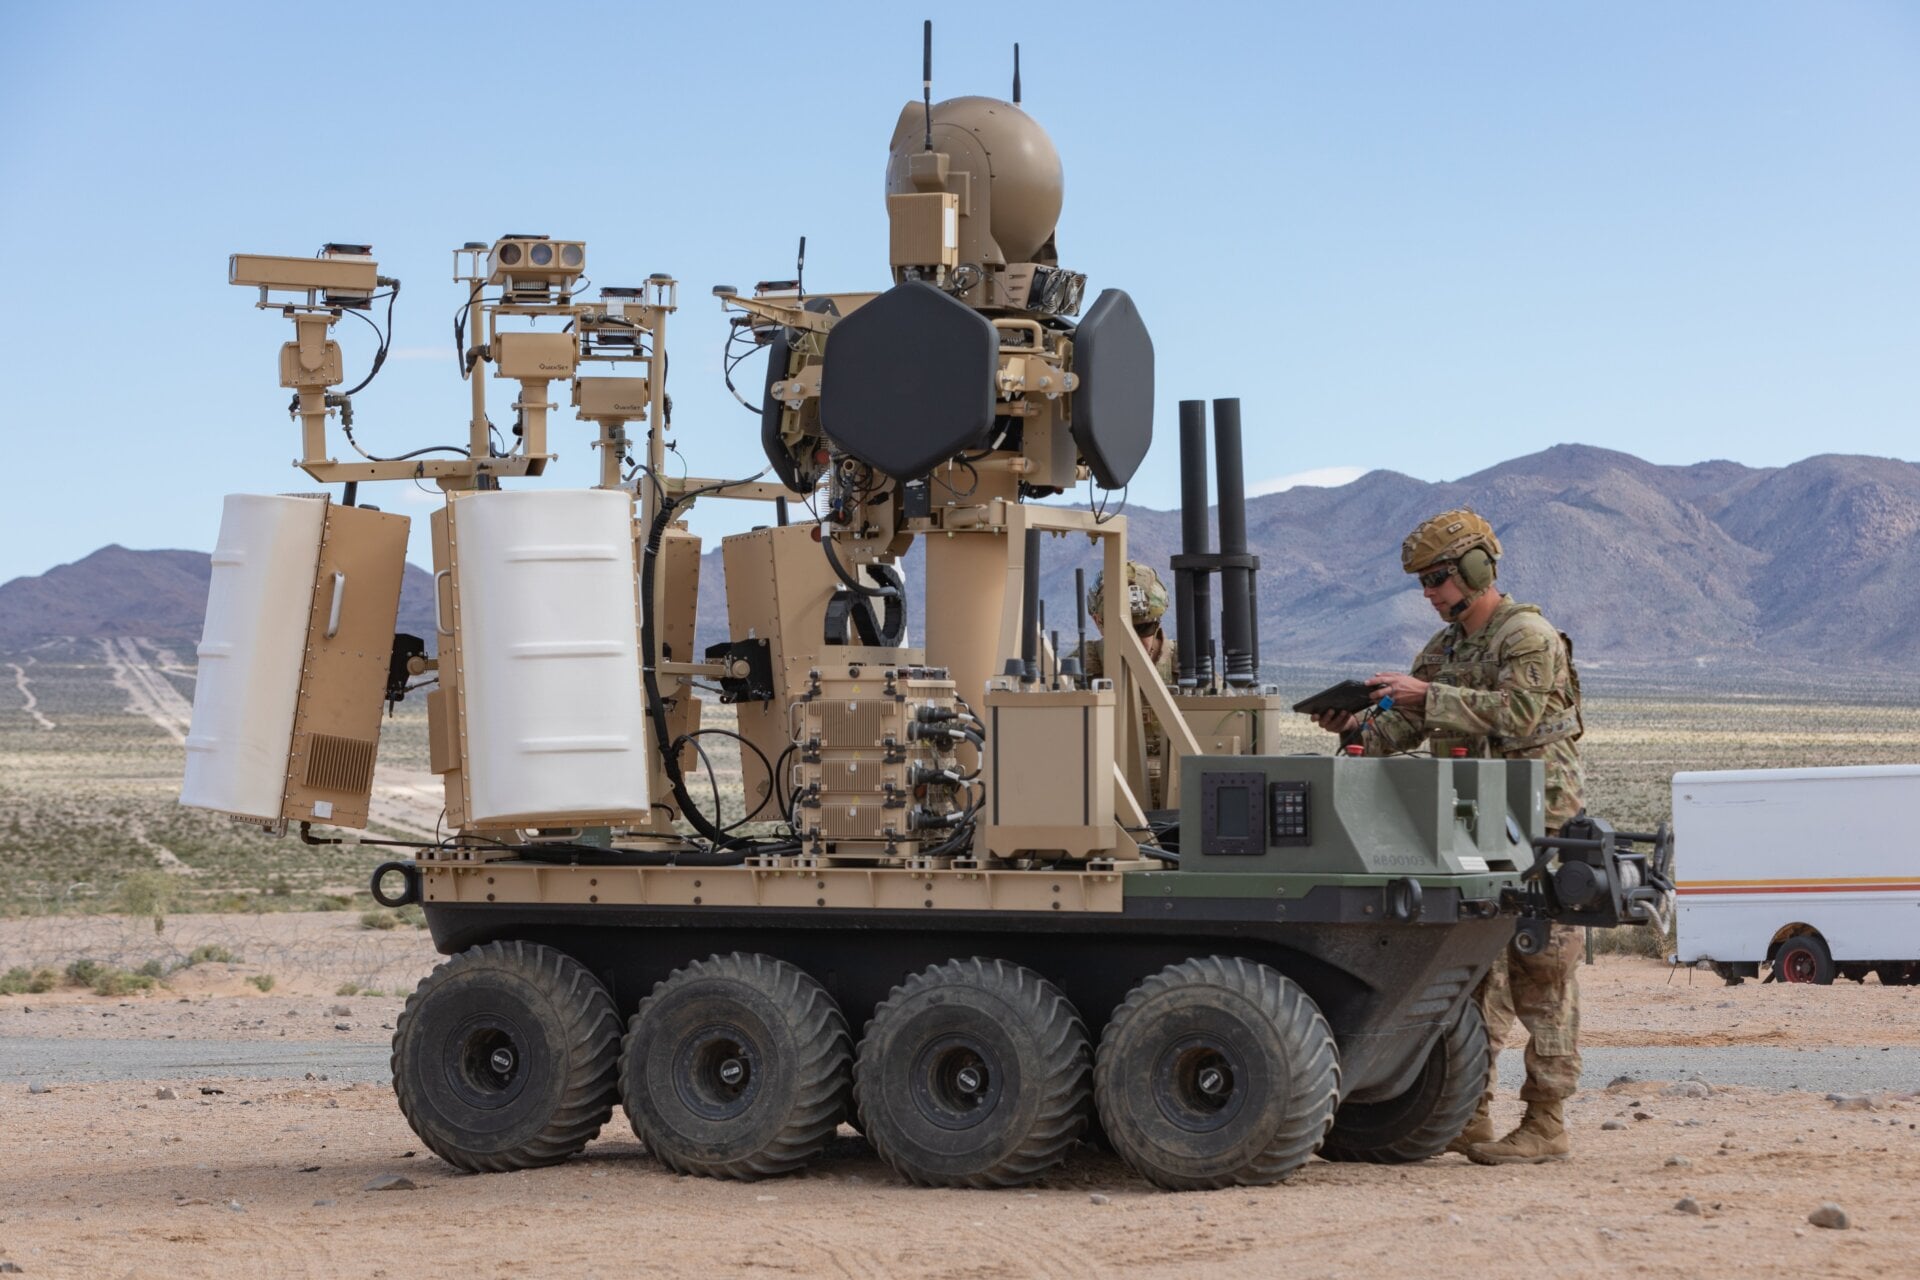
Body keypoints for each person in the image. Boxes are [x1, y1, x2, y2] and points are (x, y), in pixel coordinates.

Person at [1311, 509, 1586, 1166]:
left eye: (1437, 579)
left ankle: (1546, 1122)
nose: (1430, 594)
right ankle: (1471, 1114)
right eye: (1423, 584)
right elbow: (1397, 734)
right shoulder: (1444, 652)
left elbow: (1519, 716)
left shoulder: (1528, 637)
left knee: (1542, 976)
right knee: (1474, 977)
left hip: (1539, 828)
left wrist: (1425, 696)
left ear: (1476, 569)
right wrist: (1350, 729)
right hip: (1471, 827)